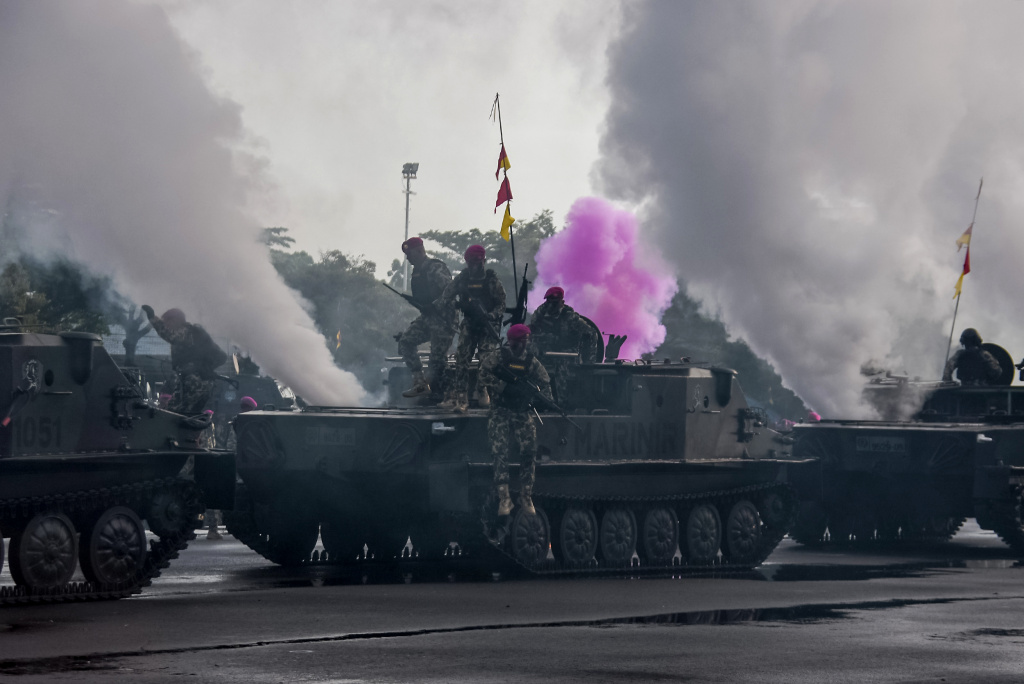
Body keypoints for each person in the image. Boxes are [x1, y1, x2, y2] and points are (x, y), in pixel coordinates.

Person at [477, 324, 552, 517]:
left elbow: (545, 381)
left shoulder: (530, 361)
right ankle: (505, 498)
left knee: (529, 450)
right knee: (499, 451)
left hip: (521, 411)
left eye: (527, 340)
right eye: (522, 340)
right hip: (500, 410)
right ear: (513, 341)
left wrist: (540, 399)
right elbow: (483, 373)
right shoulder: (499, 356)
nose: (525, 344)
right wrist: (501, 386)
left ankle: (526, 496)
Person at [435, 245, 506, 412]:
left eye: (477, 262)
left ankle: (482, 390)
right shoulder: (462, 279)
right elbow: (446, 297)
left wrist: (492, 315)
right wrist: (456, 306)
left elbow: (501, 304)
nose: (474, 266)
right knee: (461, 359)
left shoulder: (492, 281)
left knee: (486, 360)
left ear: (483, 261)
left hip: (487, 325)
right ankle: (461, 398)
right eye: (471, 262)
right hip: (469, 323)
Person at [395, 237, 457, 401]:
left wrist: (435, 305)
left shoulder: (435, 267)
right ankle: (420, 383)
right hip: (428, 318)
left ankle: (450, 395)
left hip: (444, 319)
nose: (408, 258)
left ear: (420, 251)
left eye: (410, 254)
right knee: (406, 341)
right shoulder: (417, 272)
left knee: (437, 360)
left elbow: (450, 291)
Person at [142, 306, 228, 415]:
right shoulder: (193, 334)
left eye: (166, 322)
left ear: (174, 320)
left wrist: (153, 318)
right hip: (195, 381)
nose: (166, 325)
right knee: (176, 413)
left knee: (177, 414)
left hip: (195, 381)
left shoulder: (186, 331)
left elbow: (171, 336)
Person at [528, 286, 599, 405]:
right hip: (545, 350)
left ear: (562, 302)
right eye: (549, 302)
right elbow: (533, 330)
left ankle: (562, 402)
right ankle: (536, 399)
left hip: (566, 352)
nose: (551, 306)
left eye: (555, 303)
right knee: (529, 362)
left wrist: (588, 360)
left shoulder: (570, 317)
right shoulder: (540, 313)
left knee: (563, 369)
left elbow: (591, 333)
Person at [210, 395, 259, 540]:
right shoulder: (243, 422)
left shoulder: (237, 420)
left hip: (240, 461)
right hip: (244, 462)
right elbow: (233, 443)